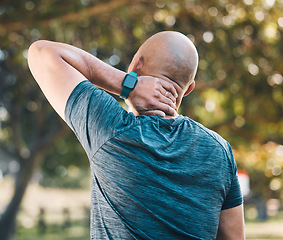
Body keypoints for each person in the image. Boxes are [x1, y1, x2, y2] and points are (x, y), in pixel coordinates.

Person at [28, 31, 245, 240]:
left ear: (135, 66)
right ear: (189, 89)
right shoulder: (219, 150)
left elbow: (41, 53)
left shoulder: (112, 129)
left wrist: (127, 85)